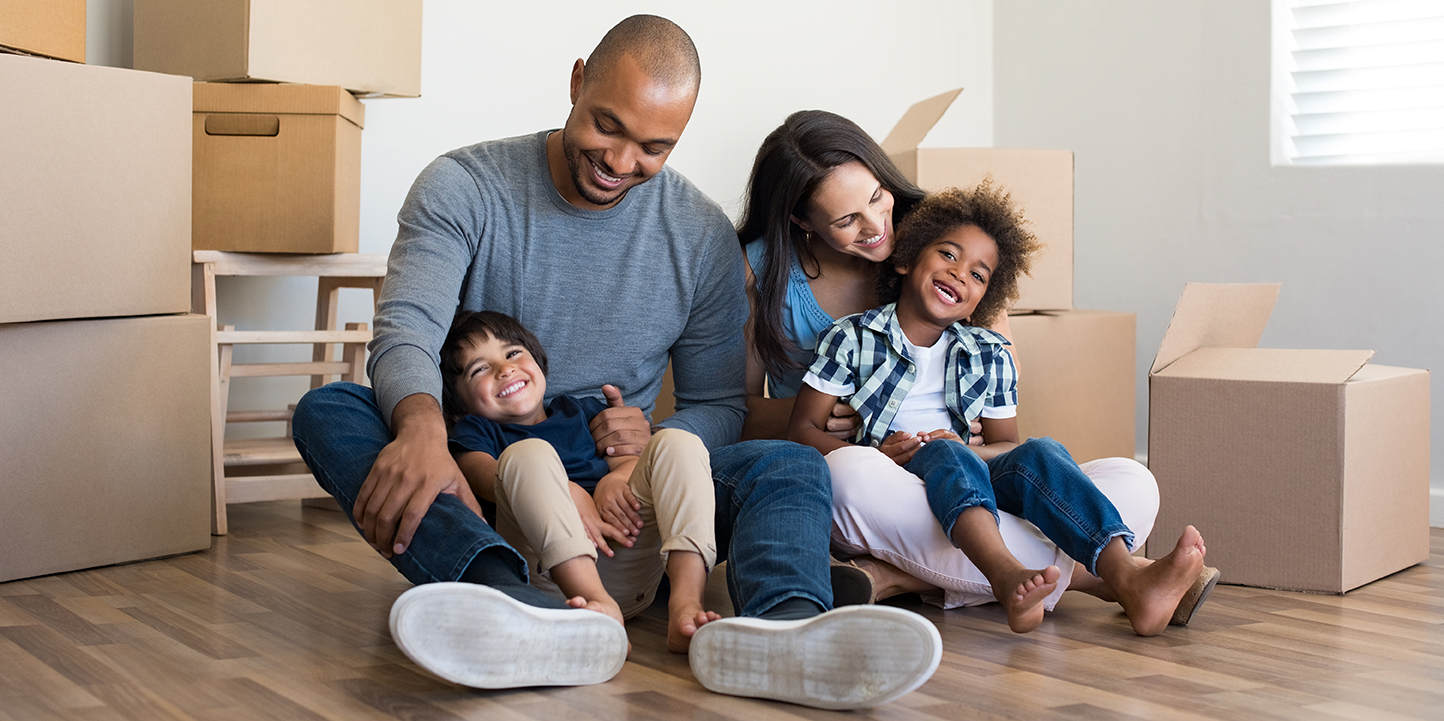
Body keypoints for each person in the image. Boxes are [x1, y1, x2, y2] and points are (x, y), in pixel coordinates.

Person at [291, 15, 941, 709]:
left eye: (653, 147)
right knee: (331, 410)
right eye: (608, 126)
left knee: (789, 462)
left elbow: (720, 402)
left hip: (630, 503)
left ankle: (784, 628)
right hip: (486, 475)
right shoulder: (463, 186)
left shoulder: (698, 236)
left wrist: (644, 450)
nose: (621, 161)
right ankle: (501, 596)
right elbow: (407, 329)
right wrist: (422, 429)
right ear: (577, 82)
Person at [737, 109, 1219, 625]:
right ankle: (1105, 579)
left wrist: (972, 449)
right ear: (802, 221)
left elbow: (1004, 434)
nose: (879, 227)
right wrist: (847, 422)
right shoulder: (800, 299)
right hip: (871, 477)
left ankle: (896, 577)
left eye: (877, 197)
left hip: (969, 472)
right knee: (853, 474)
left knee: (1132, 480)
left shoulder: (950, 242)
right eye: (846, 219)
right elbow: (739, 412)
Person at [439, 310, 720, 651]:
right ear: (459, 403)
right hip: (555, 577)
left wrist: (615, 479)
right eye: (480, 369)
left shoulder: (581, 410)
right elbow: (484, 478)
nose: (505, 369)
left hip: (629, 554)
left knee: (678, 442)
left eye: (512, 353)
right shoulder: (476, 432)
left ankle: (686, 604)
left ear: (539, 363)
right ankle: (597, 604)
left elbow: (631, 461)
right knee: (528, 454)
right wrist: (567, 491)